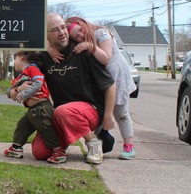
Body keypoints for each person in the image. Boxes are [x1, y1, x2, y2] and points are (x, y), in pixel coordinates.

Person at [13, 13, 117, 165]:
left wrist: (108, 115)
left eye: (63, 28)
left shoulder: (82, 51)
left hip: (90, 109)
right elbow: (22, 63)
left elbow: (110, 84)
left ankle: (93, 143)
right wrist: (16, 90)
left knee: (64, 111)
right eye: (55, 30)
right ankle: (65, 140)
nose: (61, 33)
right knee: (40, 152)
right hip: (61, 113)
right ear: (45, 35)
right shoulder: (43, 57)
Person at [49, 16, 136, 160]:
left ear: (82, 23)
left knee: (121, 113)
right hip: (99, 80)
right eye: (77, 37)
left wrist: (90, 46)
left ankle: (129, 146)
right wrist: (50, 50)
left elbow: (106, 58)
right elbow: (52, 39)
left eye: (80, 30)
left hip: (117, 78)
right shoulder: (80, 42)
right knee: (100, 115)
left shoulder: (101, 33)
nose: (81, 35)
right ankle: (102, 139)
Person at [4, 51, 66, 164]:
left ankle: (58, 151)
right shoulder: (22, 75)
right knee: (22, 126)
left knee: (46, 128)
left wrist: (24, 94)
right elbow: (11, 89)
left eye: (15, 59)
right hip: (32, 110)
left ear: (22, 57)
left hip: (41, 107)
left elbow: (38, 82)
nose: (14, 63)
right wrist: (13, 91)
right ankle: (16, 148)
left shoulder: (33, 69)